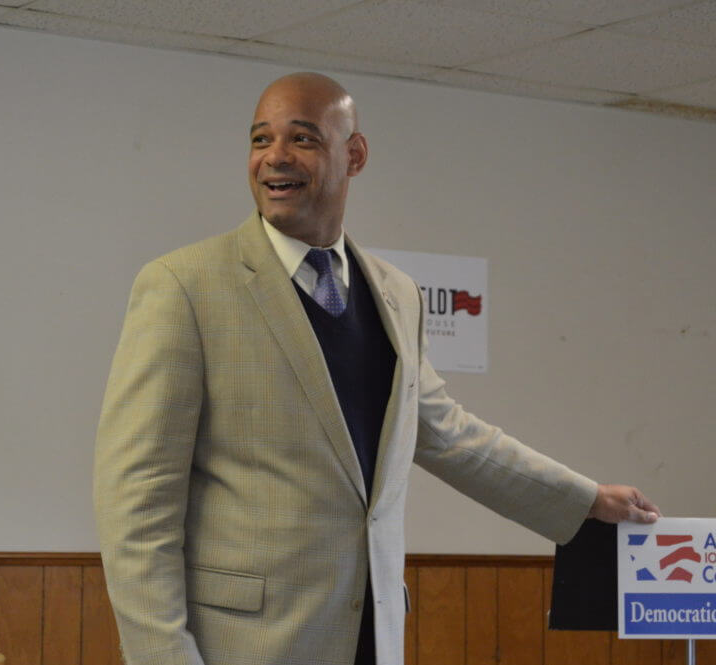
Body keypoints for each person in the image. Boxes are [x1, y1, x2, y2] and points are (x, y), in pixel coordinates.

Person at [94, 72, 660, 665]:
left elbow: (448, 434)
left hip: (372, 639)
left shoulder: (398, 293)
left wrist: (584, 498)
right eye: (261, 140)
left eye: (303, 139)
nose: (274, 158)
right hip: (245, 647)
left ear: (354, 155)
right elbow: (136, 502)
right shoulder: (184, 286)